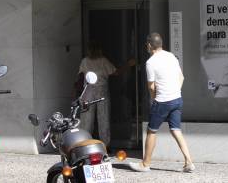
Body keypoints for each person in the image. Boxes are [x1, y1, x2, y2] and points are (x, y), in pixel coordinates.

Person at [129, 33, 195, 173]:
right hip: (177, 99)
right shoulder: (171, 56)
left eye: (146, 45)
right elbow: (181, 77)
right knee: (176, 130)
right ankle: (189, 162)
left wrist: (155, 99)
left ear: (149, 45)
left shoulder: (150, 62)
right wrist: (175, 92)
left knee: (151, 131)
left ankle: (145, 164)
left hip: (162, 101)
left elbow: (152, 87)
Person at [78, 43, 132, 147]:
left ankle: (85, 143)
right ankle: (105, 144)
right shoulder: (103, 61)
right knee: (103, 118)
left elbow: (80, 76)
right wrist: (128, 65)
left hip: (88, 91)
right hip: (101, 91)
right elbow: (115, 72)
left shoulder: (85, 61)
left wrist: (78, 91)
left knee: (86, 119)